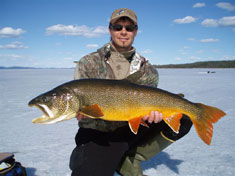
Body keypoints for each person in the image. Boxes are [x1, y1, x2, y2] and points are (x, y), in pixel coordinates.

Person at [70, 8, 192, 176]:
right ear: (110, 30)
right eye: (118, 27)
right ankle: (91, 156)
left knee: (184, 118)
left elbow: (147, 105)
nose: (123, 32)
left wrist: (152, 114)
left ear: (136, 31)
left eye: (129, 27)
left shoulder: (147, 70)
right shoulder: (88, 62)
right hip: (99, 132)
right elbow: (79, 105)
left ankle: (132, 158)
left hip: (130, 127)